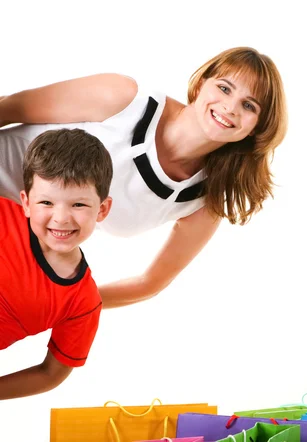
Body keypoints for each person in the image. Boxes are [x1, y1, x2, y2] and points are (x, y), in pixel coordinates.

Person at [0, 47, 287, 308]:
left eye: (249, 106)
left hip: (11, 249)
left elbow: (151, 282)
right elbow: (8, 107)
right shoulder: (125, 100)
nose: (231, 107)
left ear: (256, 128)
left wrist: (68, 302)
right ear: (201, 85)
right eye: (224, 88)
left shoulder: (203, 199)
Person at [0, 128, 112, 399]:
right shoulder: (5, 213)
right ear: (26, 203)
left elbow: (51, 373)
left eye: (78, 204)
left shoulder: (83, 303)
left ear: (103, 209)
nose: (61, 218)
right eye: (47, 202)